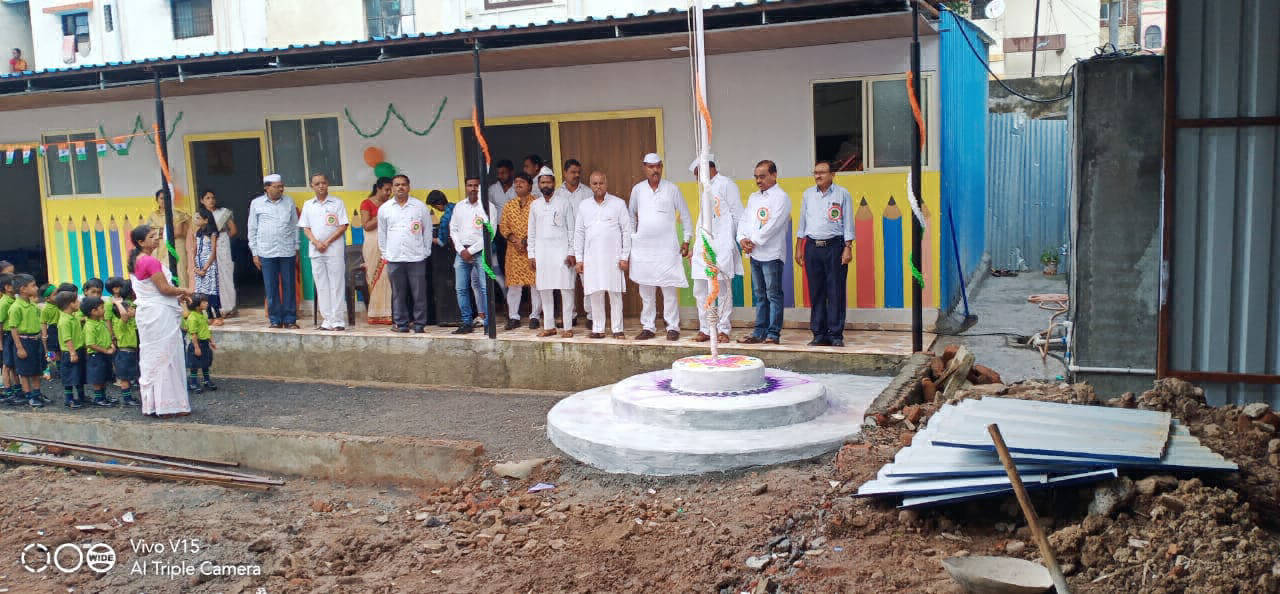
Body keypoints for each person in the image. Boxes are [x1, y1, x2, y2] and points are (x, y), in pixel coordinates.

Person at [128, 224, 194, 417]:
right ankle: (168, 406)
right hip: (159, 313)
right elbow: (164, 289)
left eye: (156, 235)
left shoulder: (136, 260)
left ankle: (157, 404)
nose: (156, 239)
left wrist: (177, 294)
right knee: (167, 355)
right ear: (141, 242)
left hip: (149, 312)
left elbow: (156, 290)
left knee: (154, 356)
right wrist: (185, 290)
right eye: (152, 236)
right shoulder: (150, 261)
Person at [629, 153, 692, 341]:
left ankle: (672, 327)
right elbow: (631, 215)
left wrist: (686, 239)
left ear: (662, 167)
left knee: (669, 289)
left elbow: (685, 215)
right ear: (644, 168)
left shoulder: (672, 189)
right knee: (646, 291)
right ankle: (648, 327)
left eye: (657, 166)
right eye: (651, 167)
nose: (655, 170)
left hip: (667, 249)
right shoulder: (637, 190)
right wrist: (633, 237)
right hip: (644, 250)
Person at [796, 160, 855, 347]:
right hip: (812, 247)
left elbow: (848, 223)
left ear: (832, 174)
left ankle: (836, 334)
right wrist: (799, 247)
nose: (818, 176)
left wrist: (848, 247)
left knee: (836, 291)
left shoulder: (843, 194)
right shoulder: (808, 195)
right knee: (816, 291)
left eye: (822, 172)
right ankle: (819, 334)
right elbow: (802, 223)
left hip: (835, 246)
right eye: (815, 172)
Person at [689, 156, 744, 343]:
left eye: (698, 174)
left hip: (722, 245)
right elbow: (702, 220)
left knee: (722, 289)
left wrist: (735, 241)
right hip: (703, 246)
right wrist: (695, 246)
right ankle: (705, 328)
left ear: (708, 169)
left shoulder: (726, 184)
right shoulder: (705, 188)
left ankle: (723, 329)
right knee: (700, 289)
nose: (697, 179)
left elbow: (738, 214)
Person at [738, 160, 791, 345]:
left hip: (772, 254)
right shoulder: (754, 198)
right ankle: (759, 332)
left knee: (773, 295)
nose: (758, 181)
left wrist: (753, 240)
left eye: (762, 176)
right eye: (756, 177)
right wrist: (742, 238)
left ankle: (773, 334)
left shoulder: (781, 197)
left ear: (774, 175)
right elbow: (744, 220)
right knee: (760, 295)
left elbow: (774, 224)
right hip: (755, 254)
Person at [574, 172, 632, 339]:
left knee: (615, 293)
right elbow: (579, 233)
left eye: (601, 183)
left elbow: (626, 231)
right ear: (590, 185)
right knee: (595, 293)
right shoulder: (584, 206)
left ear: (606, 184)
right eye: (594, 183)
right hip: (591, 258)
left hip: (613, 258)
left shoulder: (618, 204)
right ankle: (598, 329)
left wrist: (625, 256)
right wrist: (579, 259)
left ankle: (617, 329)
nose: (598, 186)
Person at [377, 174, 433, 333]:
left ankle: (419, 324)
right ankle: (401, 324)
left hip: (416, 257)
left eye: (403, 184)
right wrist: (385, 253)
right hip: (394, 257)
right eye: (397, 185)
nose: (400, 187)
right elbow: (382, 233)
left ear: (409, 187)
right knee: (398, 294)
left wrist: (425, 251)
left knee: (419, 293)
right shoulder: (385, 209)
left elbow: (427, 230)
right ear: (392, 188)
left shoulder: (419, 207)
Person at [528, 166, 577, 338]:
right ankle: (549, 326)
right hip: (542, 254)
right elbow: (531, 232)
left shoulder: (564, 203)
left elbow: (571, 229)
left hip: (562, 252)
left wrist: (571, 252)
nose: (546, 185)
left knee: (566, 289)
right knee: (545, 290)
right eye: (543, 182)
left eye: (548, 182)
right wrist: (531, 254)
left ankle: (568, 327)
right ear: (539, 185)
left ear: (554, 183)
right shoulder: (535, 205)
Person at [298, 173, 350, 331]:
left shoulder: (337, 203)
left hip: (334, 250)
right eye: (317, 183)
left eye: (323, 182)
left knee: (336, 284)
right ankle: (327, 319)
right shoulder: (308, 204)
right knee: (321, 285)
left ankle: (338, 320)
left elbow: (343, 226)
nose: (321, 186)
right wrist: (316, 242)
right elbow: (305, 228)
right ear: (312, 186)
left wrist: (326, 242)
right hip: (316, 251)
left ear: (327, 184)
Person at [248, 173, 299, 329]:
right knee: (271, 287)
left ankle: (290, 319)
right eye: (277, 187)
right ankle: (275, 319)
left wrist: (296, 247)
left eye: (281, 186)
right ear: (267, 188)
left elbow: (295, 226)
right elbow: (252, 229)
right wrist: (254, 253)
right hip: (266, 252)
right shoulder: (256, 203)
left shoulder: (289, 201)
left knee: (289, 286)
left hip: (287, 250)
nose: (280, 189)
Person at [448, 177, 492, 334]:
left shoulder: (487, 206)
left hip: (481, 252)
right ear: (465, 187)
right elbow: (453, 229)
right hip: (461, 252)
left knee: (485, 288)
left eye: (476, 186)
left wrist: (471, 251)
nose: (473, 188)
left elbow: (490, 232)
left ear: (481, 187)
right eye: (470, 185)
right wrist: (461, 250)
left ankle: (488, 323)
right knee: (461, 288)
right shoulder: (459, 206)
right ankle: (466, 322)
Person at [500, 174, 540, 330]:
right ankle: (513, 317)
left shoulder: (537, 204)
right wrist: (515, 240)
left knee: (535, 285)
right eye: (516, 182)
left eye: (522, 182)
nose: (518, 184)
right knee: (514, 285)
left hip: (532, 250)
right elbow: (503, 226)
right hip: (514, 251)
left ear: (530, 186)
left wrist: (525, 241)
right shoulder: (509, 205)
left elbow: (540, 225)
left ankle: (535, 316)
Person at [559, 159, 592, 327]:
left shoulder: (587, 192)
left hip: (585, 244)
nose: (577, 175)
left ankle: (592, 317)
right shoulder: (557, 194)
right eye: (573, 172)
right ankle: (570, 316)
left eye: (578, 172)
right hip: (564, 245)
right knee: (567, 283)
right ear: (565, 173)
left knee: (588, 282)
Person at [359, 177, 394, 325]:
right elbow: (366, 226)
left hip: (389, 243)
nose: (389, 193)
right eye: (386, 190)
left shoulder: (391, 204)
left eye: (390, 190)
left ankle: (389, 313)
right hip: (373, 244)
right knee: (376, 277)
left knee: (388, 276)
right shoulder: (366, 203)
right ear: (378, 188)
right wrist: (382, 213)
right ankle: (376, 314)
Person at [7, 274, 45, 407]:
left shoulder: (33, 305)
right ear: (23, 289)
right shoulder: (16, 307)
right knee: (24, 371)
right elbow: (13, 328)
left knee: (36, 369)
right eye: (33, 285)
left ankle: (37, 394)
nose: (37, 288)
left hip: (35, 340)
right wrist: (19, 348)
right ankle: (29, 396)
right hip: (24, 341)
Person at [199, 189, 238, 315]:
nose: (211, 200)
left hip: (222, 245)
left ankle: (228, 307)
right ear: (202, 201)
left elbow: (233, 230)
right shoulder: (200, 215)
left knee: (225, 274)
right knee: (211, 275)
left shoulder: (223, 212)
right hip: (207, 246)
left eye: (212, 198)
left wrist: (222, 238)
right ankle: (212, 308)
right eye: (207, 198)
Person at [147, 189, 193, 289]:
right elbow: (150, 233)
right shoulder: (153, 216)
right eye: (161, 198)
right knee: (162, 272)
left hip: (177, 246)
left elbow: (178, 232)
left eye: (167, 198)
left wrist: (159, 231)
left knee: (180, 272)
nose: (164, 200)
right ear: (157, 200)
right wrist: (167, 230)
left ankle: (183, 296)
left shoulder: (178, 214)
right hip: (159, 249)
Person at [426, 190, 460, 327]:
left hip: (451, 254)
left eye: (434, 207)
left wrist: (428, 238)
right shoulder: (457, 207)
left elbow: (441, 242)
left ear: (438, 204)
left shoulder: (446, 218)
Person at [81, 296, 118, 407]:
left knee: (104, 376)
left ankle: (103, 396)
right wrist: (106, 351)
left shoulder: (100, 322)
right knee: (97, 377)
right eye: (102, 307)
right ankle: (98, 398)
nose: (104, 309)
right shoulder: (90, 326)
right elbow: (90, 344)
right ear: (93, 311)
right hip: (96, 355)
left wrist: (111, 345)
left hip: (104, 353)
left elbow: (106, 336)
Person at [52, 291, 86, 408]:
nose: (79, 302)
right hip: (70, 352)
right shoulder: (64, 321)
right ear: (70, 304)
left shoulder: (73, 317)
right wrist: (72, 353)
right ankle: (69, 399)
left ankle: (82, 397)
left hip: (78, 350)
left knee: (79, 374)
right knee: (69, 376)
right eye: (76, 301)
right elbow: (67, 339)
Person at [192, 209, 223, 324]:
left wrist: (205, 268)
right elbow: (195, 250)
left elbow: (213, 252)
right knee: (202, 292)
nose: (195, 220)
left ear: (206, 220)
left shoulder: (212, 233)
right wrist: (195, 266)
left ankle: (218, 316)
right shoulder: (198, 233)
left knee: (211, 290)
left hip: (209, 265)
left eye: (198, 218)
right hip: (199, 265)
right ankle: (209, 315)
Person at [112, 289, 141, 407]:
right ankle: (127, 399)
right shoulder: (121, 323)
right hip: (124, 354)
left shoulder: (130, 322)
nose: (133, 310)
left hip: (131, 353)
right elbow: (123, 315)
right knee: (124, 378)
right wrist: (118, 303)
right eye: (130, 309)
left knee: (129, 376)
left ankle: (130, 398)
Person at [185, 293, 217, 393]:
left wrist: (211, 341)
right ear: (196, 305)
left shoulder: (203, 314)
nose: (207, 303)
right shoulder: (192, 317)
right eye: (204, 302)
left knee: (205, 363)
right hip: (197, 344)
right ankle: (193, 383)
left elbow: (206, 329)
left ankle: (207, 380)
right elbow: (193, 334)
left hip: (205, 343)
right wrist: (196, 347)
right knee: (194, 365)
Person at [0, 273, 15, 402]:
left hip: (13, 335)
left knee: (13, 364)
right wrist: (0, 342)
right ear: (8, 287)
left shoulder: (14, 300)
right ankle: (8, 391)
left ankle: (16, 390)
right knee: (7, 364)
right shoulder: (4, 303)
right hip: (7, 335)